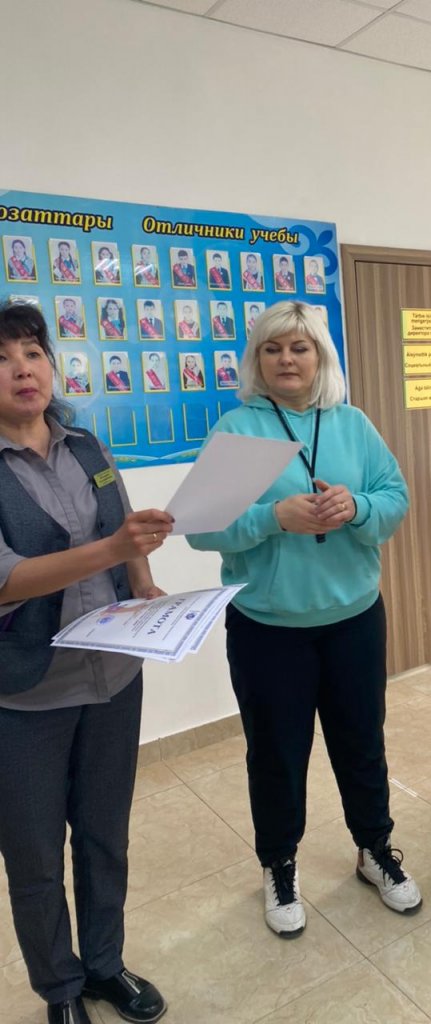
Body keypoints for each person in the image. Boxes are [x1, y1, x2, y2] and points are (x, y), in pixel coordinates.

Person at [187, 301, 422, 939]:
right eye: (273, 349)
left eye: (300, 348)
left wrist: (358, 507)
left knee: (362, 743)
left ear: (320, 357)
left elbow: (395, 500)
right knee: (276, 754)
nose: (286, 360)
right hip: (268, 628)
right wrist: (272, 518)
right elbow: (202, 531)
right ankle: (279, 865)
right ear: (257, 360)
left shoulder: (351, 424)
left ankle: (374, 850)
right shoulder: (240, 429)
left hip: (354, 619)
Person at [0, 301, 172, 1024]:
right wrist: (113, 549)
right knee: (35, 857)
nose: (21, 369)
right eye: (2, 359)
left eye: (32, 353)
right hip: (25, 695)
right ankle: (61, 990)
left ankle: (104, 965)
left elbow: (124, 535)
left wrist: (146, 587)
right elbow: (7, 581)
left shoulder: (88, 447)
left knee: (105, 836)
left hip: (113, 677)